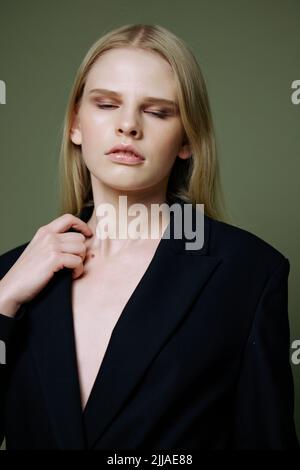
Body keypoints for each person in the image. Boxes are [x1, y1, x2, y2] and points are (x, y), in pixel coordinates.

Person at [0, 23, 299, 451]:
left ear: (187, 140)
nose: (128, 126)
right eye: (106, 104)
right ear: (75, 125)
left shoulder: (249, 272)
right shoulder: (10, 275)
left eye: (158, 111)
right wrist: (3, 300)